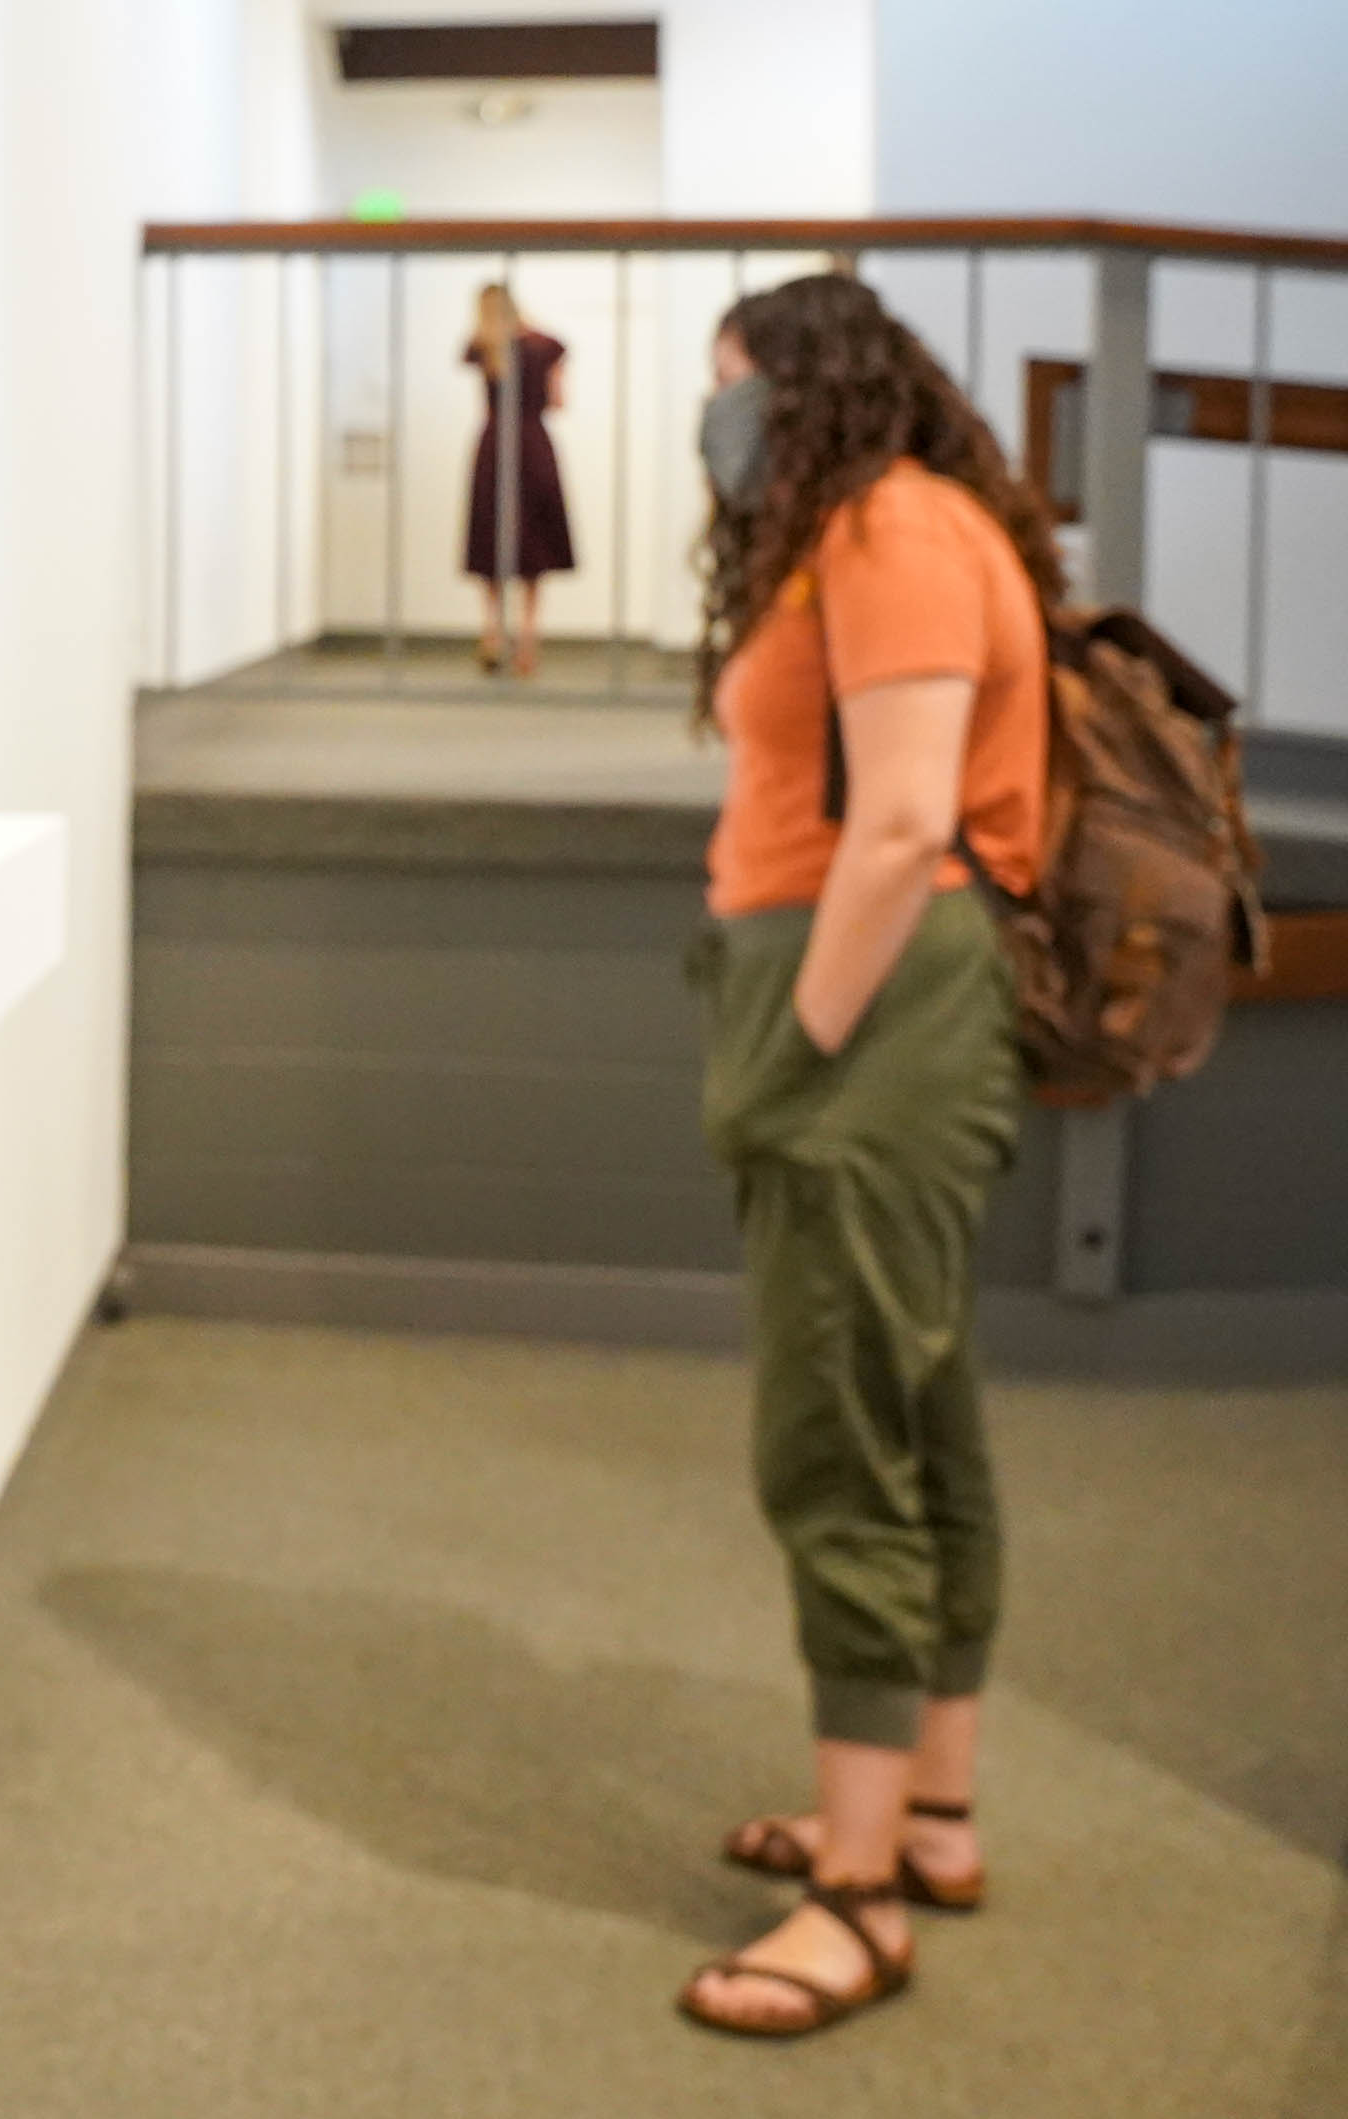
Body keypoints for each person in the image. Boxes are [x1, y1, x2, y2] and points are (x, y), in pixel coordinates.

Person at [674, 272, 1059, 2041]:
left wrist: (794, 1047)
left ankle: (856, 1896)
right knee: (920, 1412)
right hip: (874, 997)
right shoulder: (881, 523)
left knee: (835, 1437)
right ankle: (928, 1813)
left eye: (739, 384)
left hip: (869, 1007)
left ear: (816, 383)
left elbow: (900, 823)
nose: (720, 416)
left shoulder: (894, 527)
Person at [459, 283, 575, 676]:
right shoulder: (545, 346)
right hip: (531, 445)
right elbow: (558, 402)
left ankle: (492, 631)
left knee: (490, 535)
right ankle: (528, 637)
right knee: (534, 542)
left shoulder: (484, 345)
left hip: (495, 446)